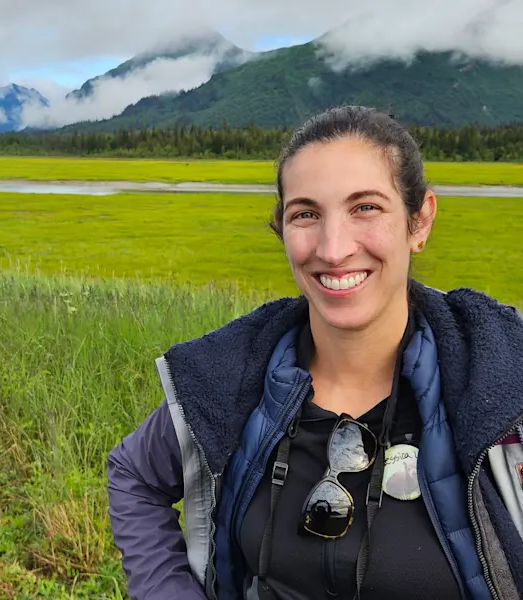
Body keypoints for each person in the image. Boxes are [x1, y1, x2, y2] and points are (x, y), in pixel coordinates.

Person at [106, 105, 523, 600]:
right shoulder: (234, 373)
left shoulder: (500, 379)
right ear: (282, 229)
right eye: (306, 214)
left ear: (419, 221)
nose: (332, 248)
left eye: (365, 207)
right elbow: (133, 474)